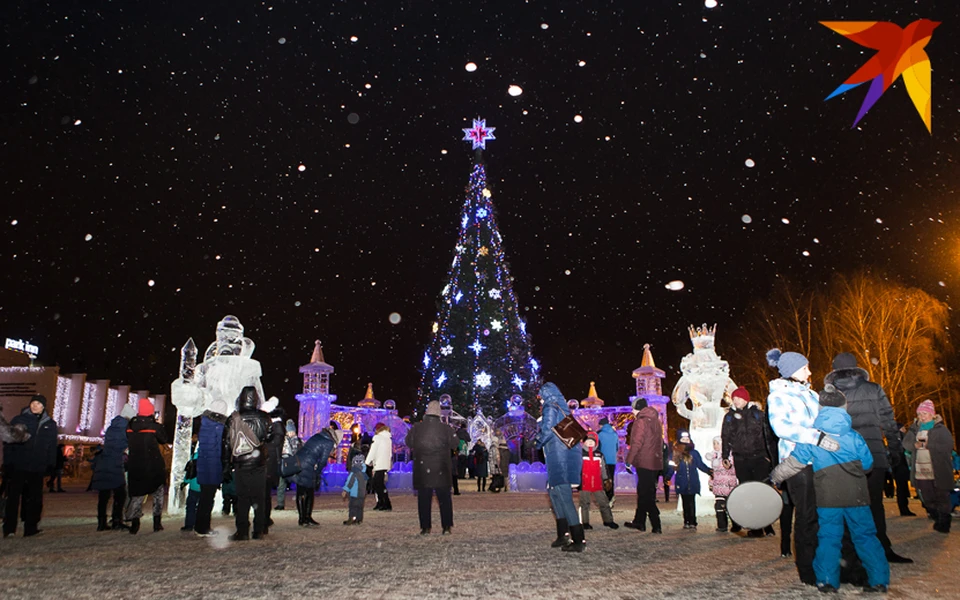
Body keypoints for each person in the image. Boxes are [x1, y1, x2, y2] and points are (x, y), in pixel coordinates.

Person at [770, 384, 890, 594]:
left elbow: (794, 463)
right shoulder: (854, 437)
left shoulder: (814, 438)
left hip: (828, 498)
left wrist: (775, 476)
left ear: (820, 408)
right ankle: (879, 579)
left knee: (828, 537)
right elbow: (868, 464)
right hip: (858, 497)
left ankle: (827, 580)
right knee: (865, 536)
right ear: (844, 408)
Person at [825, 352, 912, 563]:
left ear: (835, 370)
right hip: (873, 455)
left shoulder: (829, 394)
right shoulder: (873, 389)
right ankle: (882, 548)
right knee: (874, 505)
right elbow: (889, 423)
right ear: (856, 367)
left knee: (846, 504)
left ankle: (850, 554)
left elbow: (824, 427)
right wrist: (895, 451)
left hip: (842, 457)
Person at [766, 348, 839, 586]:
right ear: (793, 371)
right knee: (806, 516)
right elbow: (781, 428)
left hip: (820, 460)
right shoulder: (778, 396)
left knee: (822, 515)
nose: (810, 371)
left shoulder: (811, 395)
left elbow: (823, 422)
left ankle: (824, 563)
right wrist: (815, 437)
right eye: (805, 367)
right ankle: (807, 569)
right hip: (797, 462)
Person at [536, 382, 585, 552]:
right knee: (554, 493)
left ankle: (578, 540)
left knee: (563, 497)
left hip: (559, 457)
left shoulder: (551, 406)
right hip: (560, 457)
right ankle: (562, 535)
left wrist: (537, 441)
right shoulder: (562, 408)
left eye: (540, 395)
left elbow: (548, 431)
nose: (540, 400)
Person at [721, 386, 775, 536]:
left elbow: (768, 434)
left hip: (759, 459)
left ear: (746, 399)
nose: (736, 401)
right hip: (741, 459)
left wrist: (769, 456)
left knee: (761, 492)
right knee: (748, 493)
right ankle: (756, 527)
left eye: (738, 397)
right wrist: (725, 456)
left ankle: (766, 523)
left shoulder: (758, 414)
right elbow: (725, 437)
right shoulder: (729, 417)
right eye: (734, 398)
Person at [2, 394, 58, 538]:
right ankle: (9, 529)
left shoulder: (50, 424)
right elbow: (9, 443)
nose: (35, 406)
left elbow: (52, 446)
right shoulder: (19, 420)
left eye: (38, 404)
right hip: (19, 465)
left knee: (35, 499)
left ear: (44, 406)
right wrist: (7, 463)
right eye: (33, 403)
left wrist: (51, 464)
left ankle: (31, 528)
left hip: (37, 467)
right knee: (14, 498)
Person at [225, 386, 274, 540]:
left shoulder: (233, 418)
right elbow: (270, 437)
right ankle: (259, 529)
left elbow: (226, 443)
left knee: (242, 498)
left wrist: (226, 464)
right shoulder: (264, 417)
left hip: (241, 462)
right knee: (259, 497)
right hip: (259, 462)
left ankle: (242, 530)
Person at [405, 400, 459, 535]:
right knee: (444, 499)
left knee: (424, 499)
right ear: (439, 413)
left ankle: (425, 527)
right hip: (442, 468)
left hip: (423, 469)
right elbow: (455, 444)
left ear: (427, 413)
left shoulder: (417, 427)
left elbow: (408, 442)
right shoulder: (446, 428)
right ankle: (446, 526)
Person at [903, 400, 955, 534]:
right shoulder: (914, 428)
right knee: (927, 497)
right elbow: (906, 443)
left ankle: (944, 523)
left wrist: (929, 445)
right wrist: (914, 445)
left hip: (938, 469)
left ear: (932, 414)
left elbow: (948, 446)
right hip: (921, 470)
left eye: (925, 413)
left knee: (942, 496)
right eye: (920, 414)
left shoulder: (940, 429)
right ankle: (935, 515)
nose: (922, 416)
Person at [125, 398, 169, 535]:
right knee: (158, 494)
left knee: (137, 494)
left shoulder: (130, 427)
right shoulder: (154, 427)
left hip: (136, 464)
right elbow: (164, 439)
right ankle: (157, 523)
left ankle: (135, 523)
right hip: (153, 464)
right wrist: (159, 424)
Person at [90, 404, 136, 531]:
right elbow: (125, 444)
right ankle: (116, 520)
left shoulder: (111, 427)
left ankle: (101, 522)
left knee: (103, 496)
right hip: (115, 464)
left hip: (104, 463)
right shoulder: (125, 429)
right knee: (120, 494)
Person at [624, 397, 664, 533]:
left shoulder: (640, 422)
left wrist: (629, 461)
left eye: (633, 408)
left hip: (644, 461)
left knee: (645, 494)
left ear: (637, 408)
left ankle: (656, 523)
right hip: (654, 461)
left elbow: (636, 443)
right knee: (646, 491)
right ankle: (639, 521)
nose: (632, 411)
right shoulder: (656, 421)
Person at [293, 421, 342, 527]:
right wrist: (318, 472)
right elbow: (323, 461)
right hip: (308, 465)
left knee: (302, 491)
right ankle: (305, 518)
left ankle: (304, 518)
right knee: (308, 492)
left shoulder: (319, 435)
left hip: (299, 461)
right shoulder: (328, 442)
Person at [193, 399, 228, 537]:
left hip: (204, 466)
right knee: (207, 499)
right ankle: (202, 528)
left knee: (204, 498)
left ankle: (200, 525)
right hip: (212, 467)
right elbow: (218, 448)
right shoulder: (218, 427)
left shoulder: (205, 424)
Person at [673, 429, 713, 530]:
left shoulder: (694, 453)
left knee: (691, 501)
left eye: (687, 438)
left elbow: (700, 465)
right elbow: (671, 466)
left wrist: (709, 471)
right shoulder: (676, 453)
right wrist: (667, 476)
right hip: (682, 481)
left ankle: (693, 521)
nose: (686, 440)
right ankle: (686, 520)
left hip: (692, 481)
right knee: (685, 502)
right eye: (683, 438)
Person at [579, 431, 618, 530]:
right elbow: (576, 468)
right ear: (584, 442)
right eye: (588, 441)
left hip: (597, 482)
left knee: (603, 502)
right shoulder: (580, 453)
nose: (590, 443)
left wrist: (606, 479)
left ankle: (608, 520)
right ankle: (585, 522)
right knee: (584, 503)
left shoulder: (599, 454)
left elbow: (604, 468)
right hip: (584, 482)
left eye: (592, 441)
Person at [706, 435, 737, 533]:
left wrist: (723, 464)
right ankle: (722, 526)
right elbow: (713, 473)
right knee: (719, 506)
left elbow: (732, 470)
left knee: (730, 506)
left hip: (729, 486)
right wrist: (711, 483)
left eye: (717, 443)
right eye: (714, 444)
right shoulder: (714, 456)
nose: (715, 446)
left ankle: (736, 525)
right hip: (718, 486)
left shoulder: (730, 456)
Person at [262, 398, 284, 529]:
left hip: (269, 464)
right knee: (264, 493)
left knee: (264, 493)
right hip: (267, 463)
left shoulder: (276, 427)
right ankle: (264, 518)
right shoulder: (274, 426)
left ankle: (264, 519)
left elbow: (274, 444)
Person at [366, 422, 393, 510]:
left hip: (378, 464)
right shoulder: (388, 439)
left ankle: (384, 503)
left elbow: (373, 451)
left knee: (377, 485)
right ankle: (384, 503)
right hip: (384, 464)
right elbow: (389, 454)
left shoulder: (377, 438)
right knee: (380, 484)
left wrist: (367, 461)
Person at [276, 420, 302, 510]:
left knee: (297, 482)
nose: (290, 433)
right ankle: (280, 503)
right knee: (281, 484)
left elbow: (298, 451)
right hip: (284, 463)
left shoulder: (297, 440)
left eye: (292, 431)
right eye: (289, 431)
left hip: (292, 464)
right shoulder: (283, 440)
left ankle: (300, 501)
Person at [891, 423, 914, 516]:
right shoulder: (901, 438)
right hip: (902, 466)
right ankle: (904, 509)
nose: (905, 429)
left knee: (901, 488)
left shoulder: (893, 438)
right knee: (902, 488)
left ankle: (903, 508)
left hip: (897, 466)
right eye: (903, 427)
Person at [597, 418, 618, 505]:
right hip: (612, 460)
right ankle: (611, 496)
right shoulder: (614, 433)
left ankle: (605, 499)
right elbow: (617, 447)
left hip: (603, 460)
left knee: (603, 479)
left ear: (601, 425)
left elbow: (597, 447)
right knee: (610, 479)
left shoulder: (600, 434)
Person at [341, 453, 368, 525]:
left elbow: (350, 482)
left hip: (354, 493)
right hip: (361, 494)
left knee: (353, 507)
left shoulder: (353, 473)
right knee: (360, 507)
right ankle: (359, 519)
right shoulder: (364, 474)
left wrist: (345, 490)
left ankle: (352, 519)